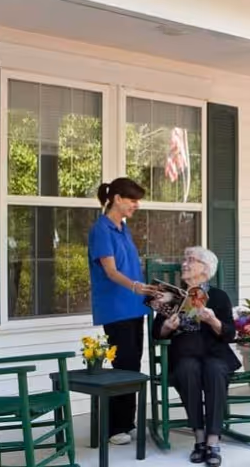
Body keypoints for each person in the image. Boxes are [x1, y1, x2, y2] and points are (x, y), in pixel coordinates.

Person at [153, 246, 240, 467]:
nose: (184, 263)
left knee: (215, 370)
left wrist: (213, 321)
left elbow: (230, 333)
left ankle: (213, 441)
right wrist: (166, 326)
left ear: (205, 268)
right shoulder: (172, 296)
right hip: (184, 355)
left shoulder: (218, 297)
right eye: (184, 259)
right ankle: (199, 438)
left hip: (215, 354)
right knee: (187, 370)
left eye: (191, 260)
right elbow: (157, 334)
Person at [88, 177, 158, 445]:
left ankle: (126, 423)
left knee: (132, 366)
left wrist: (146, 290)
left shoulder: (122, 229)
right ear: (117, 198)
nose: (136, 205)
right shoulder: (101, 230)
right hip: (115, 308)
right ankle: (114, 428)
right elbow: (110, 271)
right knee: (122, 366)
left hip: (133, 306)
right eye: (132, 200)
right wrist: (137, 286)